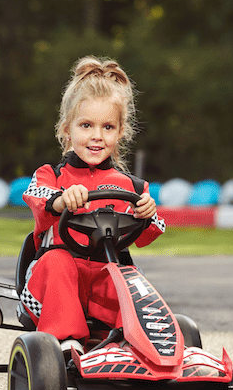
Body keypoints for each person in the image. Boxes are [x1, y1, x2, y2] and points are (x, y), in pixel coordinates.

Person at [20, 56, 166, 354]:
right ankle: (65, 341)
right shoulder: (51, 176)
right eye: (86, 125)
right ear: (67, 129)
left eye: (108, 127)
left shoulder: (133, 187)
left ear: (121, 132)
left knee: (127, 275)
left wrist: (147, 212)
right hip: (49, 290)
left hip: (101, 280)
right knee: (59, 261)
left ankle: (143, 343)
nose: (97, 136)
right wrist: (61, 200)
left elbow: (149, 235)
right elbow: (38, 200)